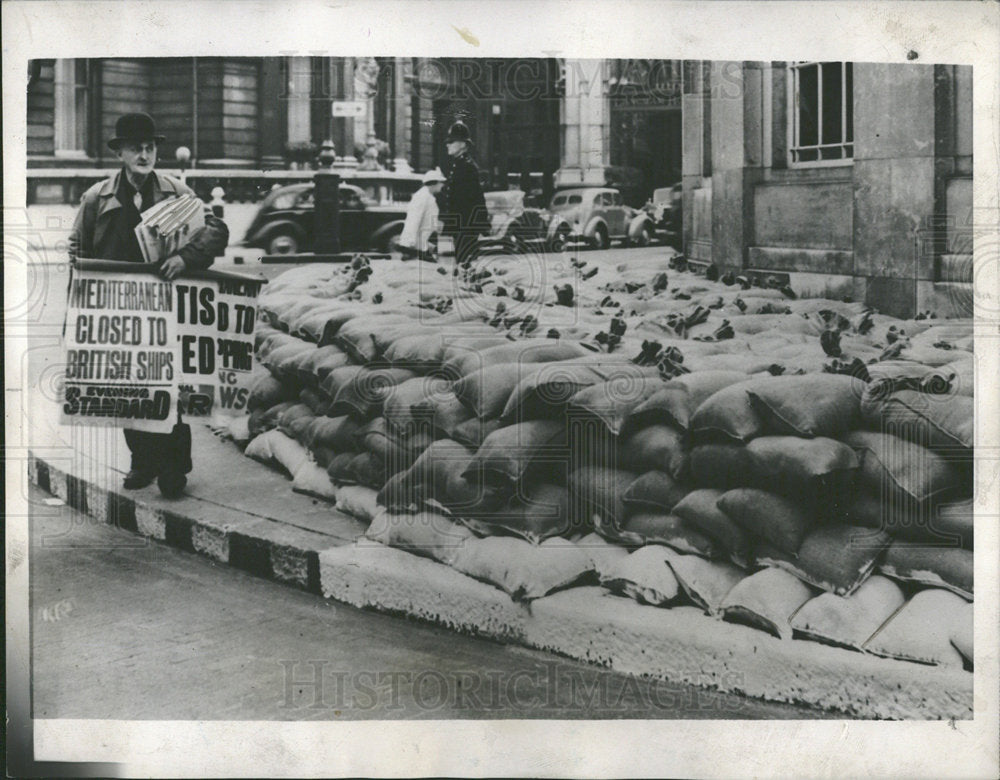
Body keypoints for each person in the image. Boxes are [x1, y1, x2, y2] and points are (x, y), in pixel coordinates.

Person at [68, 112, 229, 497]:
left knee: (170, 386)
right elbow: (78, 247)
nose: (144, 154)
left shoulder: (179, 194)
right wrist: (83, 294)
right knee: (128, 386)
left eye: (150, 147)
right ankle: (142, 462)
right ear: (121, 152)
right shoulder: (96, 198)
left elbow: (216, 231)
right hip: (118, 309)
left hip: (166, 306)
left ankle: (174, 468)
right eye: (136, 148)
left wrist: (185, 258)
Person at [440, 120, 489, 271]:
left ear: (462, 144)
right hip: (461, 226)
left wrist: (478, 225)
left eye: (451, 141)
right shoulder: (458, 165)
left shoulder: (468, 167)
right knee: (463, 265)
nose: (447, 144)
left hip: (466, 226)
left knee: (465, 265)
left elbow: (475, 199)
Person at [398, 168, 445, 261]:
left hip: (422, 243)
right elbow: (414, 218)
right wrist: (411, 241)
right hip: (415, 245)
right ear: (434, 183)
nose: (442, 185)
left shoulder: (427, 196)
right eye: (440, 182)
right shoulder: (422, 196)